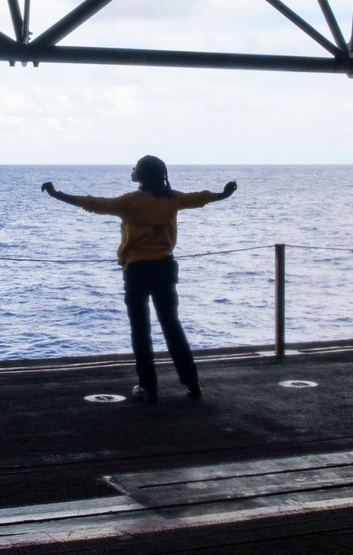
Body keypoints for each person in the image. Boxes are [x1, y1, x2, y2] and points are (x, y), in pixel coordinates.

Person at [41, 157, 238, 403]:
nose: (132, 170)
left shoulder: (130, 203)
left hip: (136, 270)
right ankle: (192, 383)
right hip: (165, 267)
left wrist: (56, 194)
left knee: (140, 329)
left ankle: (148, 387)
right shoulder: (172, 199)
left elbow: (93, 204)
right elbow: (199, 198)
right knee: (172, 326)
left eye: (135, 168)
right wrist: (223, 194)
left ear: (142, 175)